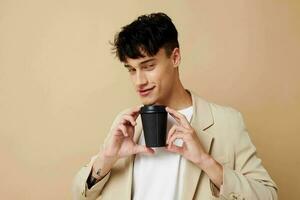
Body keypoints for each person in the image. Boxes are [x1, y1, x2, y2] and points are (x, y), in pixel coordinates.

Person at [72, 12, 278, 200]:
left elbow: (268, 196)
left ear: (175, 57)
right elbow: (79, 195)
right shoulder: (127, 126)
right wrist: (106, 159)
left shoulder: (226, 122)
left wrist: (206, 161)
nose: (139, 81)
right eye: (131, 70)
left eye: (149, 66)